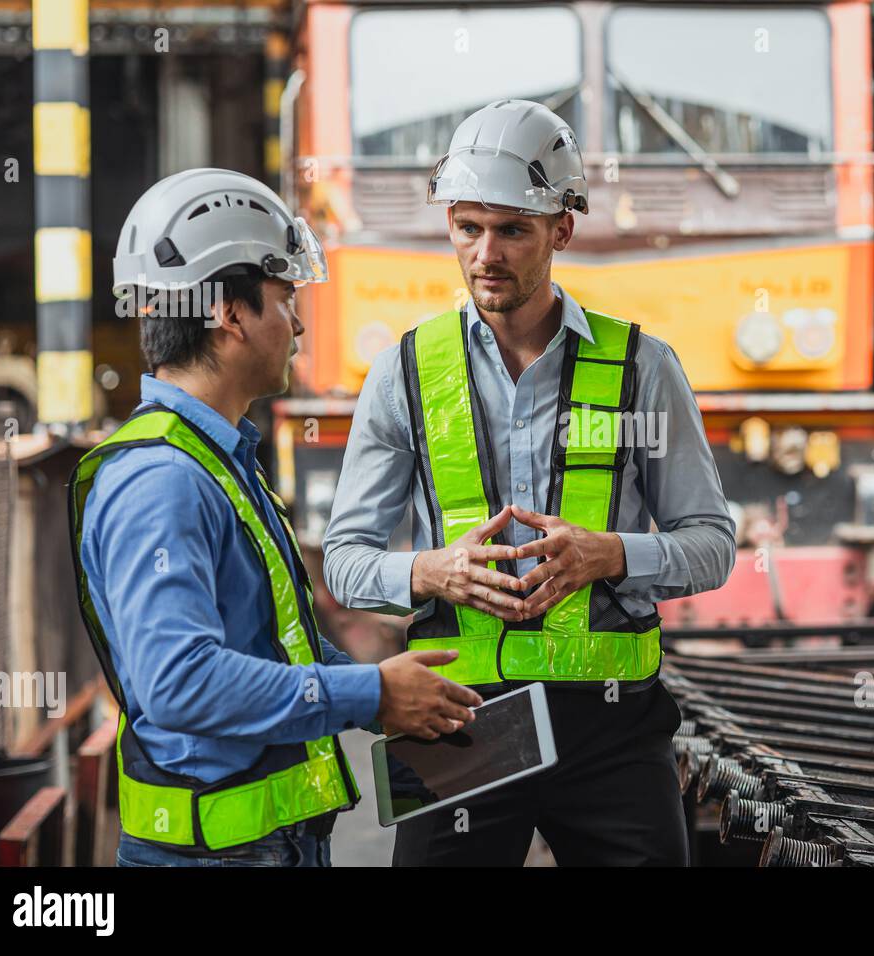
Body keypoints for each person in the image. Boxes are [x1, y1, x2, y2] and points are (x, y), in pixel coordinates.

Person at [323, 100, 736, 866]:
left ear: (561, 230)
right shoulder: (404, 376)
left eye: (512, 229)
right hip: (457, 725)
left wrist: (611, 554)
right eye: (467, 227)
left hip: (615, 733)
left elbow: (712, 546)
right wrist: (428, 570)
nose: (486, 254)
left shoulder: (644, 368)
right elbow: (345, 561)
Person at [70, 168, 482, 867]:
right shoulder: (162, 481)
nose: (296, 322)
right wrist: (370, 692)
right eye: (286, 297)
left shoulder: (219, 459)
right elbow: (180, 681)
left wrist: (398, 695)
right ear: (230, 314)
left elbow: (273, 646)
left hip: (265, 849)